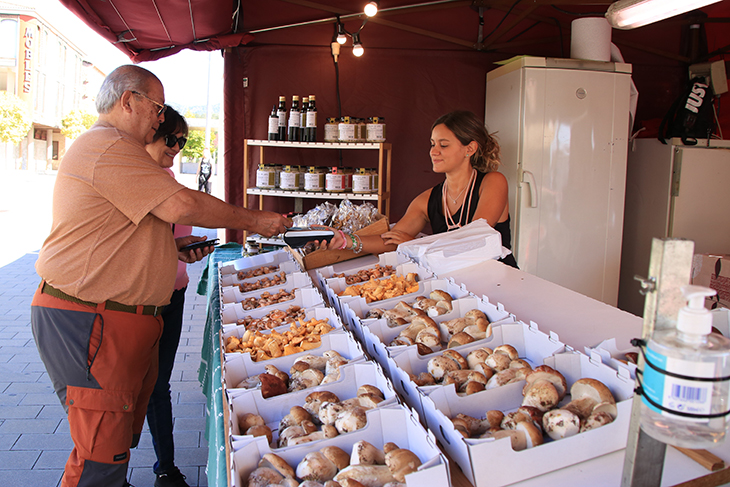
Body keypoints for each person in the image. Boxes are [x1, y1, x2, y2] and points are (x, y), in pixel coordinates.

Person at [30, 65, 290, 487]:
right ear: (128, 100)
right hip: (91, 321)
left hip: (112, 320)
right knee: (99, 454)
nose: (160, 117)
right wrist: (253, 220)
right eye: (157, 107)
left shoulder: (119, 149)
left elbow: (118, 232)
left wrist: (169, 249)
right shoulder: (108, 146)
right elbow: (181, 206)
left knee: (105, 445)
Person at [323, 110, 518, 268]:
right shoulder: (427, 199)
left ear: (470, 149)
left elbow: (472, 240)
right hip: (457, 282)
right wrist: (345, 240)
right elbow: (392, 240)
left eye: (444, 145)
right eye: (432, 144)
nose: (434, 152)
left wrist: (415, 243)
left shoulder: (493, 182)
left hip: (500, 280)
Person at [144, 106, 204, 487]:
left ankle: (165, 466)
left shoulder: (168, 176)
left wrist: (183, 247)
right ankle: (108, 471)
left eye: (183, 140)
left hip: (174, 292)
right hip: (142, 300)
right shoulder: (137, 178)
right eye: (172, 138)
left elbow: (165, 237)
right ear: (149, 132)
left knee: (159, 383)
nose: (178, 147)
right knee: (135, 386)